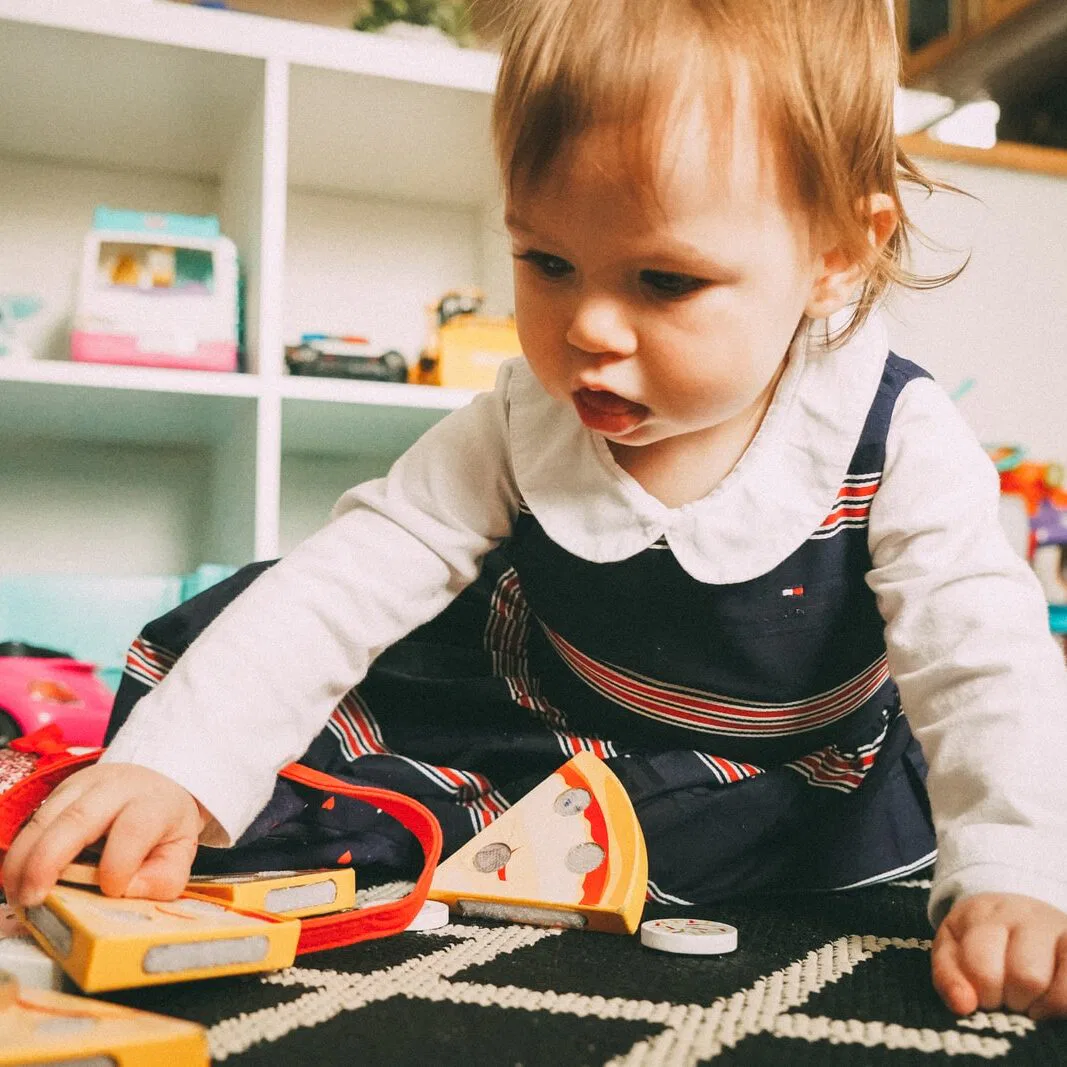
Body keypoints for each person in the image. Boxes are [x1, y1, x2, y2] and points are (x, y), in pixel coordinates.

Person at [5, 0, 1067, 1020]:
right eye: (545, 261)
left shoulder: (890, 432)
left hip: (788, 766)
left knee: (676, 839)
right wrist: (180, 765)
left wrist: (1014, 873)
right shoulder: (521, 415)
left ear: (836, 252)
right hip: (548, 717)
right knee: (272, 715)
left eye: (663, 280)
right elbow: (352, 571)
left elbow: (982, 656)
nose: (589, 328)